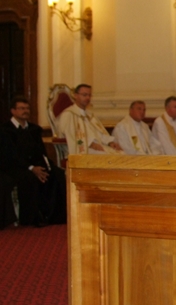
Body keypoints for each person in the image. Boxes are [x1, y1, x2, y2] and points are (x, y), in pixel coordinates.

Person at [0, 96, 67, 226]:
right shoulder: (5, 130)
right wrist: (31, 168)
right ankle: (31, 219)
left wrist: (44, 166)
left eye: (27, 108)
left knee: (57, 174)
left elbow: (40, 152)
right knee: (29, 179)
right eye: (21, 108)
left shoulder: (34, 129)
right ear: (13, 111)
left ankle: (54, 216)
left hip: (35, 165)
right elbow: (10, 155)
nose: (25, 111)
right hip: (14, 167)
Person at [58, 84, 123, 155]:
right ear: (76, 95)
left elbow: (100, 133)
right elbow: (71, 136)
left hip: (98, 146)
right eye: (84, 95)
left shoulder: (90, 115)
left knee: (122, 154)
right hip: (83, 149)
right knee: (109, 156)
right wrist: (91, 144)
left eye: (89, 95)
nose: (88, 98)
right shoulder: (69, 114)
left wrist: (110, 142)